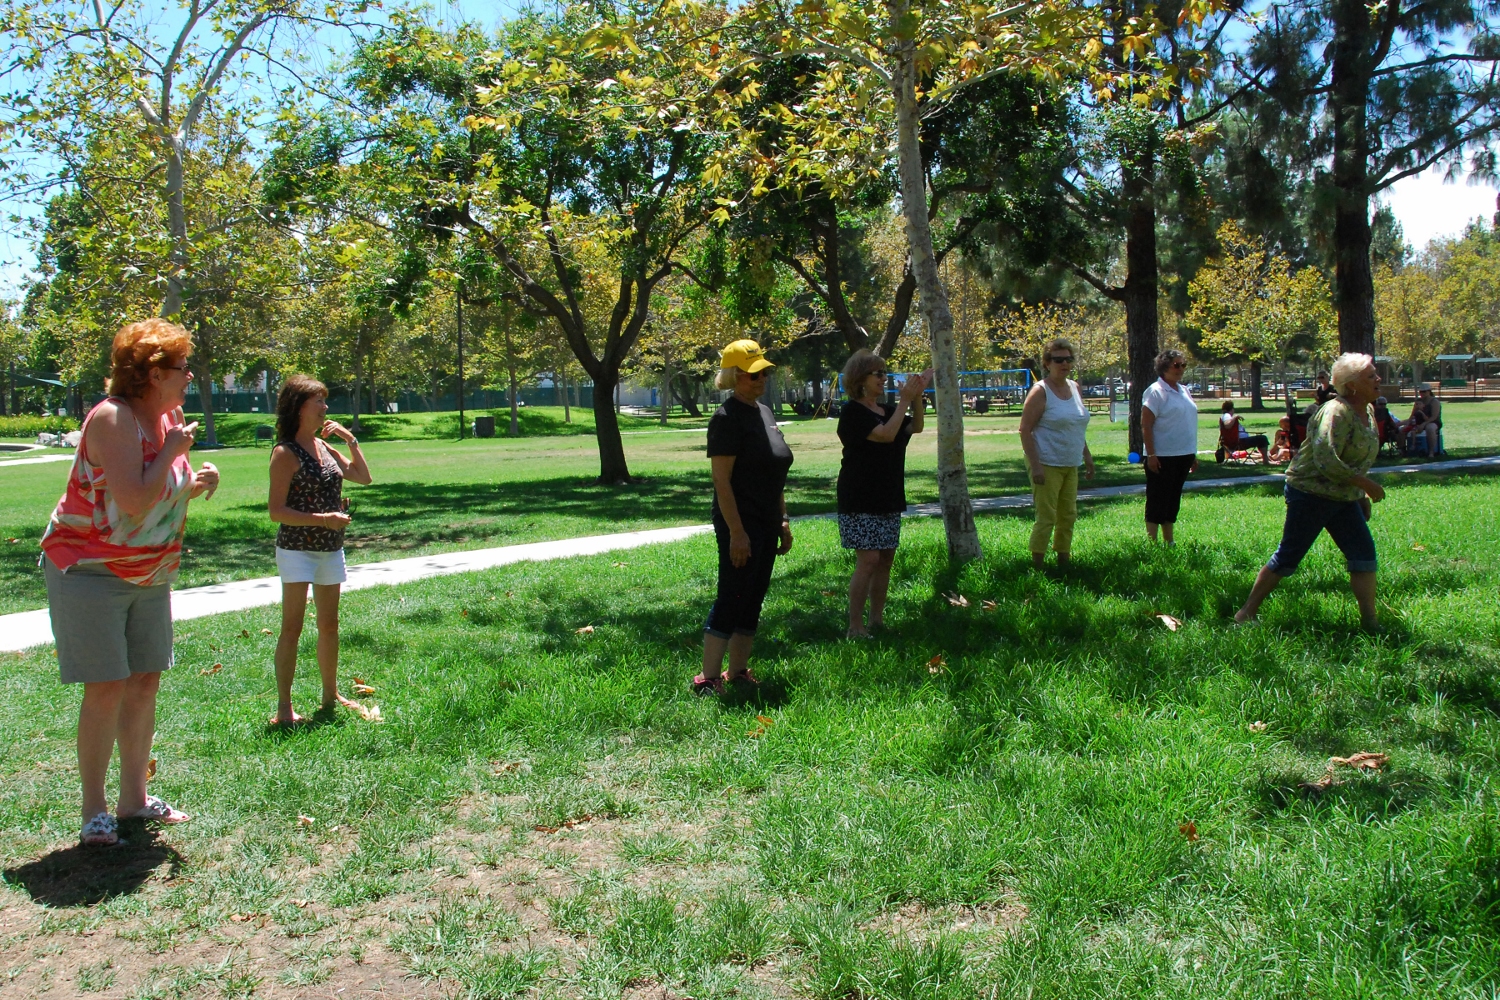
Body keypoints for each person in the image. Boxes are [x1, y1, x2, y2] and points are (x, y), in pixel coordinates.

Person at [39, 318, 220, 846]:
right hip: (90, 571)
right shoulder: (113, 418)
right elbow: (135, 497)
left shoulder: (169, 418)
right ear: (153, 372)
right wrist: (172, 457)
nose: (189, 378)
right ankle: (94, 811)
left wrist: (195, 479)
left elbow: (162, 488)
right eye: (183, 368)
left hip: (149, 570)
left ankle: (134, 800)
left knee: (144, 680)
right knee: (107, 686)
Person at [1235, 353, 1385, 632]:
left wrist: (1358, 493)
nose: (1378, 379)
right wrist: (1365, 485)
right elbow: (1325, 458)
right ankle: (1245, 614)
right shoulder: (1335, 412)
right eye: (1371, 376)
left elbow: (1355, 459)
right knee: (1289, 556)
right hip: (1310, 492)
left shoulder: (1368, 410)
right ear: (1351, 385)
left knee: (1363, 554)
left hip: (1342, 495)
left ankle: (1370, 623)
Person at [268, 375, 372, 725]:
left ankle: (331, 695)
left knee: (330, 625)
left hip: (330, 548)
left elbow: (362, 476)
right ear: (299, 408)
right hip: (297, 550)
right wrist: (323, 518)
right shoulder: (285, 453)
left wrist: (349, 438)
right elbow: (276, 511)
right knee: (292, 627)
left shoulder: (324, 447)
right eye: (319, 403)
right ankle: (285, 707)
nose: (326, 408)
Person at [694, 340, 794, 695]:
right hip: (740, 522)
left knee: (754, 595)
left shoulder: (764, 413)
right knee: (732, 595)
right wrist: (737, 532)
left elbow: (773, 470)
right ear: (735, 376)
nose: (762, 379)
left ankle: (737, 671)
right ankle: (706, 678)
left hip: (767, 520)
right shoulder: (726, 419)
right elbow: (721, 482)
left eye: (765, 372)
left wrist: (782, 518)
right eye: (754, 374)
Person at [836, 350, 931, 637]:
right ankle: (855, 626)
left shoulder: (889, 410)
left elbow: (916, 426)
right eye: (877, 373)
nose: (883, 377)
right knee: (869, 560)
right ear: (860, 379)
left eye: (884, 372)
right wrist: (904, 400)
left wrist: (915, 397)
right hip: (860, 495)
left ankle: (877, 620)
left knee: (886, 559)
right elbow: (886, 435)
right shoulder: (852, 412)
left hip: (888, 493)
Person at [1019, 338, 1094, 568]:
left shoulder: (1075, 387)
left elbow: (1076, 425)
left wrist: (1087, 455)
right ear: (1047, 363)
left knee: (1068, 514)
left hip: (1070, 462)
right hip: (1046, 462)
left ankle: (1063, 559)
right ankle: (1037, 563)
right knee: (1046, 516)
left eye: (1068, 359)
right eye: (1058, 360)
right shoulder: (1040, 391)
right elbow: (1024, 430)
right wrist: (1036, 466)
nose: (1064, 364)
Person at [1141, 350, 1200, 544]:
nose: (1181, 369)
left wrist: (1193, 454)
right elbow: (1146, 425)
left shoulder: (1184, 390)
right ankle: (1152, 542)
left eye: (1184, 365)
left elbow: (1187, 422)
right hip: (1162, 455)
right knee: (1158, 498)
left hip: (1184, 454)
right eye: (1177, 365)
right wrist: (1151, 454)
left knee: (1173, 499)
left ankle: (1169, 541)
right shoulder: (1155, 391)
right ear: (1164, 367)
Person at [1402, 384, 1443, 455]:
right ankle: (1403, 450)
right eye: (1421, 391)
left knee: (1430, 428)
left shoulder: (1434, 401)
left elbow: (1434, 417)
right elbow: (1412, 415)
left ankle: (1431, 451)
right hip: (1418, 420)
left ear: (1429, 391)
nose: (1422, 393)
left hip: (1433, 421)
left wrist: (1424, 424)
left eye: (1424, 391)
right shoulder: (1419, 401)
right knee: (1400, 427)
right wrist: (1407, 423)